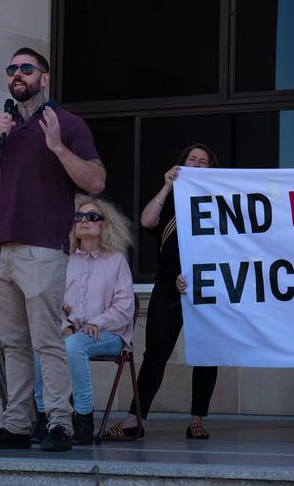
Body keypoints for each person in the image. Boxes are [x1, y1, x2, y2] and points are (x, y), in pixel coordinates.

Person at [0, 47, 106, 451]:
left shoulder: (68, 124)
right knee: (12, 344)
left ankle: (59, 423)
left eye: (26, 68)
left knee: (47, 341)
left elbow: (96, 183)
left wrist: (59, 147)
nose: (17, 74)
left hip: (42, 250)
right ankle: (18, 424)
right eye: (12, 69)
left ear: (44, 78)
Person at [103, 143, 219, 440]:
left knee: (206, 355)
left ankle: (197, 420)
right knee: (155, 353)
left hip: (205, 285)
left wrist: (193, 276)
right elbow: (146, 222)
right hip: (167, 285)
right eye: (191, 159)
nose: (196, 164)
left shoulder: (218, 202)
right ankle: (134, 419)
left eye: (203, 161)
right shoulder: (170, 199)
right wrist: (167, 185)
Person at [32, 195, 136, 445]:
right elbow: (51, 302)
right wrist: (65, 325)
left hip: (109, 334)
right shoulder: (64, 259)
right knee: (41, 343)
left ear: (105, 224)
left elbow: (125, 307)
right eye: (78, 217)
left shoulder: (117, 260)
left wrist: (97, 323)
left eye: (92, 216)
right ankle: (45, 416)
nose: (84, 221)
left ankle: (83, 419)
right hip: (71, 333)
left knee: (74, 346)